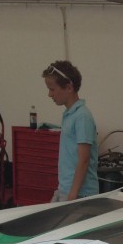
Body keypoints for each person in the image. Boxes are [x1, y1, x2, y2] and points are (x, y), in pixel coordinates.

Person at [42, 60, 99, 201]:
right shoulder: (69, 114)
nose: (49, 94)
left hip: (80, 194)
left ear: (68, 88)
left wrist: (73, 195)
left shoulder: (82, 116)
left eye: (52, 89)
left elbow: (84, 159)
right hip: (65, 189)